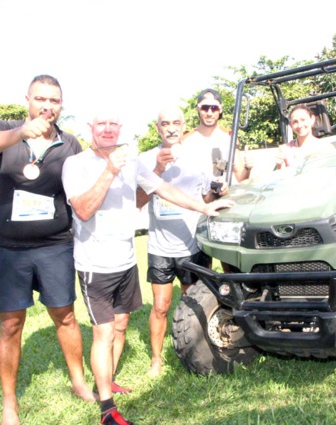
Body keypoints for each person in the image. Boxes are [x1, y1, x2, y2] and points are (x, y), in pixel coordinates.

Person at [62, 108, 233, 425]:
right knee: (103, 333)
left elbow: (164, 189)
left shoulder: (132, 162)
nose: (109, 128)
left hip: (126, 260)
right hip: (94, 264)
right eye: (102, 123)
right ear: (91, 127)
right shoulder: (76, 164)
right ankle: (107, 410)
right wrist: (109, 172)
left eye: (113, 122)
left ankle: (108, 380)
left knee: (122, 325)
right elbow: (83, 210)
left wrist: (204, 206)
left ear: (120, 127)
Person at [0, 75, 95, 425]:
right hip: (8, 249)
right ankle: (10, 402)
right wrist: (20, 134)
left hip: (54, 245)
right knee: (10, 324)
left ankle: (79, 382)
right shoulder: (4, 130)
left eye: (54, 100)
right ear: (27, 99)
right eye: (40, 98)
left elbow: (83, 187)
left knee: (65, 316)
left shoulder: (69, 144)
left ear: (61, 105)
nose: (46, 106)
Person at [137, 106, 228, 379]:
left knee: (192, 303)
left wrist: (218, 192)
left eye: (176, 122)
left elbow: (206, 201)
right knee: (161, 306)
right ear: (158, 128)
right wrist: (157, 169)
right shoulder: (145, 158)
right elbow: (138, 202)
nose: (172, 128)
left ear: (184, 124)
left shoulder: (198, 158)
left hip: (192, 245)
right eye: (166, 123)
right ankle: (156, 360)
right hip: (160, 248)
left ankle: (194, 352)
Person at [183, 88, 254, 183]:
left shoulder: (230, 138)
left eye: (214, 108)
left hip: (223, 196)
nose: (209, 113)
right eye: (205, 108)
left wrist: (247, 168)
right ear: (198, 109)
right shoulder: (186, 140)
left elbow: (241, 178)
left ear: (220, 110)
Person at [275, 104, 332, 170]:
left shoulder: (326, 148)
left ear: (312, 119)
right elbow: (283, 177)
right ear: (291, 125)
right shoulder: (285, 150)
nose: (300, 125)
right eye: (295, 122)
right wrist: (280, 165)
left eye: (303, 120)